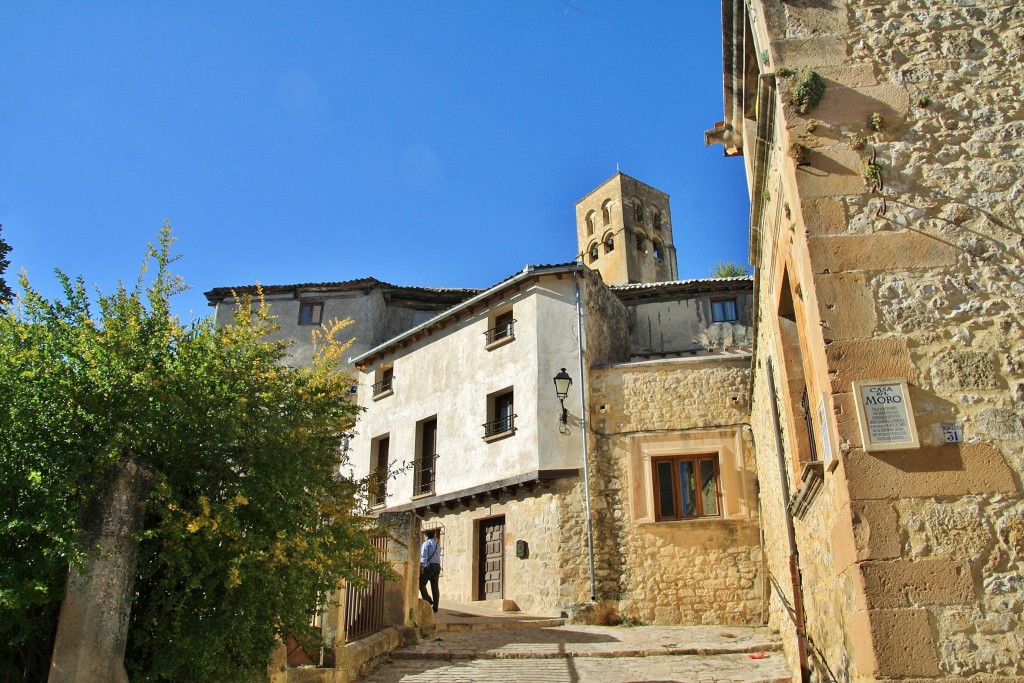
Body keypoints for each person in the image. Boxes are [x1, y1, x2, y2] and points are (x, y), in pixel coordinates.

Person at [418, 529, 441, 613]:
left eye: (424, 536)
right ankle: (436, 607)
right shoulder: (437, 545)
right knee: (435, 586)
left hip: (429, 566)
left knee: (420, 583)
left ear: (426, 536)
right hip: (437, 566)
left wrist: (422, 566)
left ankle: (428, 600)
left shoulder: (426, 544)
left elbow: (424, 556)